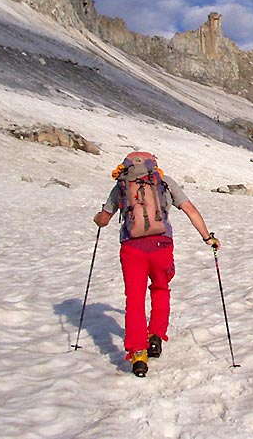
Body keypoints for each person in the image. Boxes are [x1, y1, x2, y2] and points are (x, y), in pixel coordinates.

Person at [93, 151, 220, 377]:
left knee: (134, 299)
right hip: (162, 246)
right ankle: (155, 337)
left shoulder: (123, 184)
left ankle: (138, 353)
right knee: (161, 289)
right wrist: (207, 238)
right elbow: (190, 209)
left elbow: (104, 219)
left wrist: (98, 218)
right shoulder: (162, 182)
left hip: (131, 248)